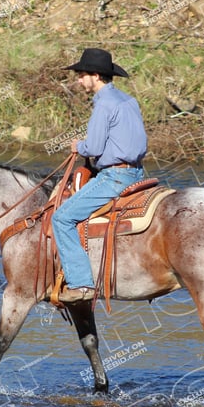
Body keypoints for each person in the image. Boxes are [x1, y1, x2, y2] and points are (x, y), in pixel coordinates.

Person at [52, 48, 148, 303]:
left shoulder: (104, 104)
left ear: (96, 76)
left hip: (115, 177)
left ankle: (82, 284)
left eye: (82, 75)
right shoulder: (128, 100)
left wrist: (77, 146)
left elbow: (93, 148)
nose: (79, 81)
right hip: (138, 172)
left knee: (61, 217)